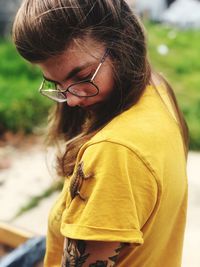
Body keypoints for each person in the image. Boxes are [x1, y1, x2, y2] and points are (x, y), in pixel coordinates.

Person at [12, 1, 189, 266]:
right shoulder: (155, 87)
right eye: (56, 83)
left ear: (123, 41)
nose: (70, 100)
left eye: (81, 76)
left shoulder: (115, 152)